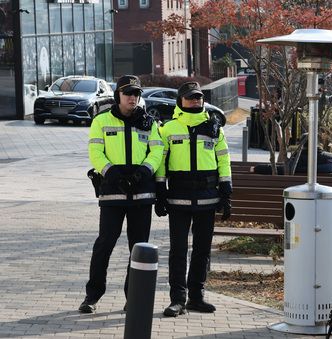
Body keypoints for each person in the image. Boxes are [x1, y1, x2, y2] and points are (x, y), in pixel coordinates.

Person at [78, 75, 164, 313]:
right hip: (112, 193)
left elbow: (157, 152)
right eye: (128, 93)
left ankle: (133, 298)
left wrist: (142, 174)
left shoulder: (150, 123)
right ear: (118, 95)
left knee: (138, 248)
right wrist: (112, 173)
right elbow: (95, 151)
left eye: (136, 94)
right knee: (104, 244)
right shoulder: (101, 120)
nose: (132, 98)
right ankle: (92, 297)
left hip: (142, 193)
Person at [155, 81, 232, 316]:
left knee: (202, 251)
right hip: (178, 199)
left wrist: (226, 192)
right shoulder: (168, 129)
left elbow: (224, 160)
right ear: (181, 101)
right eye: (190, 97)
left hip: (207, 199)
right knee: (178, 251)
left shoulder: (214, 128)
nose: (196, 100)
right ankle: (177, 299)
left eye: (198, 97)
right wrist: (160, 192)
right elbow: (160, 163)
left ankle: (196, 297)